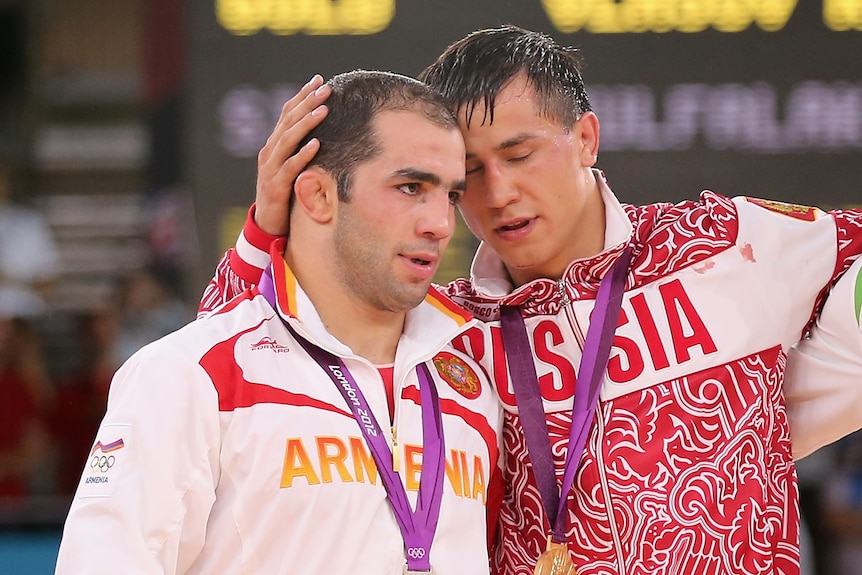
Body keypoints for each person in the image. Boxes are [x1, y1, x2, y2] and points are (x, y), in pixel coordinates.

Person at [199, 27, 862, 575]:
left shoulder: (721, 244)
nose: (499, 194)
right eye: (469, 179)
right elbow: (232, 368)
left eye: (519, 154)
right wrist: (264, 227)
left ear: (586, 139)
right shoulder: (439, 329)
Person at [54, 70, 503, 575]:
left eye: (451, 196)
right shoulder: (190, 377)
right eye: (410, 186)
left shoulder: (477, 375)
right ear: (317, 196)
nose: (440, 224)